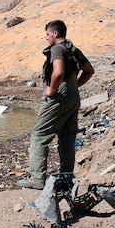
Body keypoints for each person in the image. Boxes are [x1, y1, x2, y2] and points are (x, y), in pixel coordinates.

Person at [18, 20, 94, 190]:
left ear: (55, 34)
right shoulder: (73, 49)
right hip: (73, 97)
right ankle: (67, 176)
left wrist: (52, 90)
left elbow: (58, 71)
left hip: (58, 97)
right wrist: (74, 85)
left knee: (39, 135)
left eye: (47, 34)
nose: (45, 37)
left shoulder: (57, 49)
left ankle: (37, 178)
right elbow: (89, 70)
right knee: (67, 137)